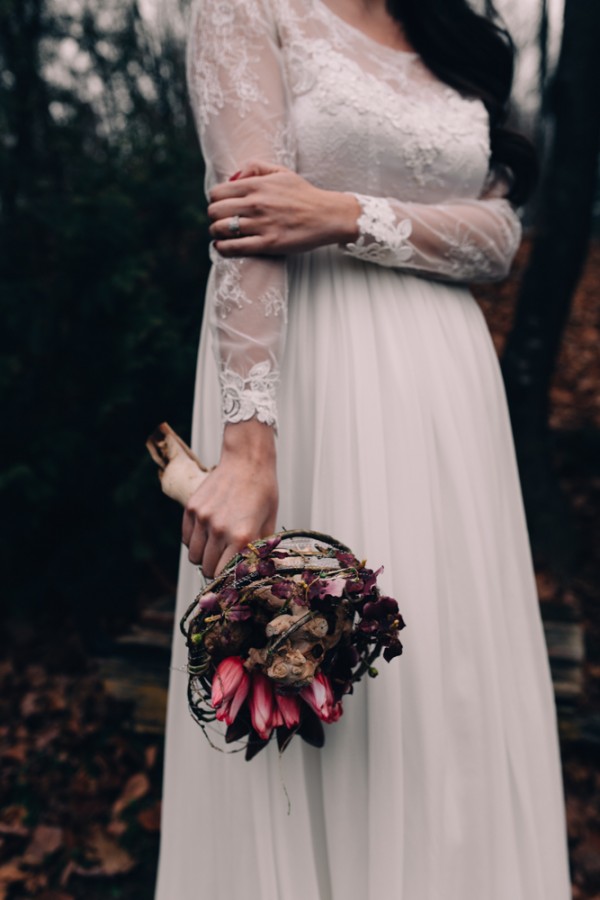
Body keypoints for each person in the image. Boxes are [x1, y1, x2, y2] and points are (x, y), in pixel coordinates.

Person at [155, 0, 571, 897]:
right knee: (323, 688)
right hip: (317, 377)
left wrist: (346, 212)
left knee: (448, 694)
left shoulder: (457, 30)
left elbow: (498, 236)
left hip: (452, 403)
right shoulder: (249, 8)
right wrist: (250, 448)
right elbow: (246, 225)